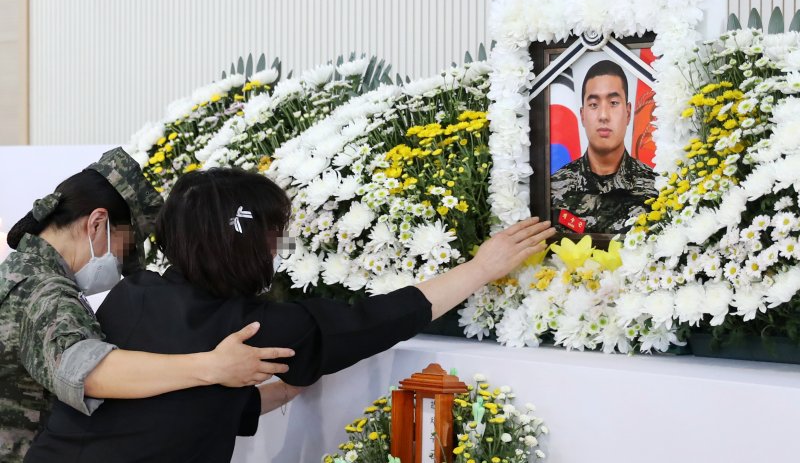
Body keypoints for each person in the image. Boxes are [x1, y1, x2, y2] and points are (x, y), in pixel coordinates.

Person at [26, 167, 556, 463]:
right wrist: (482, 267)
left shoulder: (132, 293)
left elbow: (170, 410)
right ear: (248, 245)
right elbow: (382, 318)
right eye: (274, 237)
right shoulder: (260, 329)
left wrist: (291, 380)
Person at [0, 148, 293, 462]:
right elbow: (87, 373)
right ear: (97, 224)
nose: (122, 264)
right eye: (125, 248)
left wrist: (283, 392)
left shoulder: (24, 273)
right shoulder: (43, 290)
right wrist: (213, 366)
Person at [550, 59, 657, 233]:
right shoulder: (553, 188)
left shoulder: (656, 188)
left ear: (628, 112)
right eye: (593, 105)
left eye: (613, 103)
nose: (603, 116)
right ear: (583, 115)